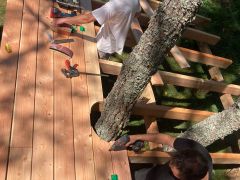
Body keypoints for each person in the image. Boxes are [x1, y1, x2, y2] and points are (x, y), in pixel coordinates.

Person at [53, 0, 141, 59]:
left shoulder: (114, 5)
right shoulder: (134, 1)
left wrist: (63, 20)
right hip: (115, 41)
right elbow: (137, 14)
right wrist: (120, 18)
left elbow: (87, 18)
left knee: (91, 61)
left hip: (104, 45)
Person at [125, 133, 213, 180]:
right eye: (171, 162)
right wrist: (136, 137)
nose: (169, 165)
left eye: (173, 173)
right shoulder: (194, 150)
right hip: (148, 174)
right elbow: (166, 139)